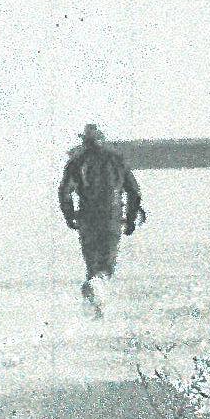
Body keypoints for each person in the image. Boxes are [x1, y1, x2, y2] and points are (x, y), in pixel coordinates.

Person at [57, 123, 145, 312]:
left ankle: (95, 307)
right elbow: (134, 192)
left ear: (85, 141)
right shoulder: (116, 160)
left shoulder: (77, 162)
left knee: (92, 265)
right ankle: (97, 298)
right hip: (111, 218)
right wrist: (130, 218)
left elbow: (64, 191)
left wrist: (70, 216)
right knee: (106, 267)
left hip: (87, 219)